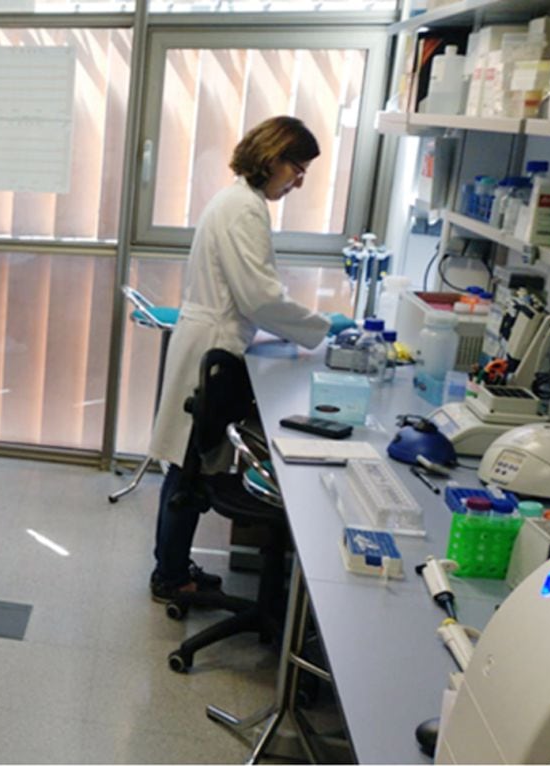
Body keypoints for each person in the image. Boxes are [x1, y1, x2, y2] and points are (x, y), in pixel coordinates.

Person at [146, 115, 354, 604]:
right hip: (212, 344)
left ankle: (171, 566)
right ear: (272, 157)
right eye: (297, 167)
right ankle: (170, 577)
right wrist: (322, 327)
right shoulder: (244, 209)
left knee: (189, 464)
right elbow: (259, 297)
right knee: (189, 467)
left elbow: (253, 294)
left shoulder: (239, 201)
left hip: (213, 338)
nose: (300, 180)